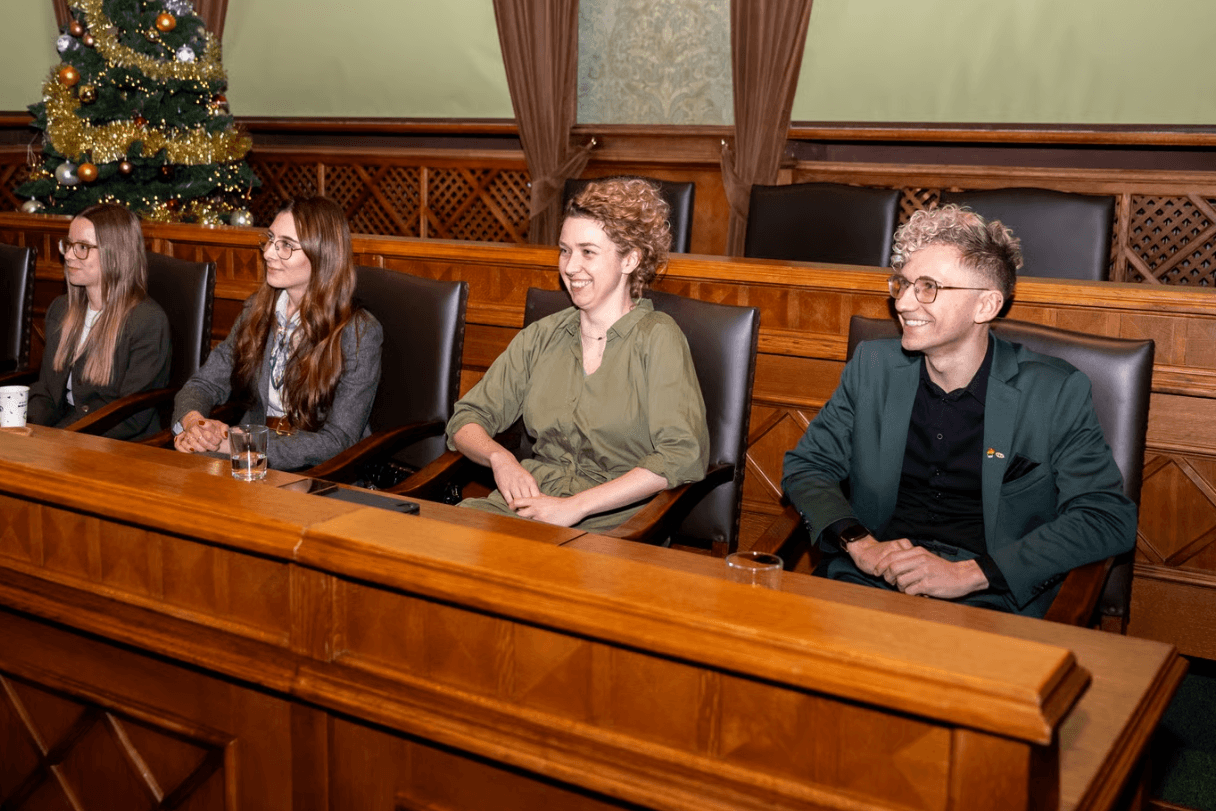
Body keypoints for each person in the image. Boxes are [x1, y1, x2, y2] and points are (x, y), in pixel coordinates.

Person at [781, 204, 1136, 617]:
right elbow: (807, 467)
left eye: (928, 287)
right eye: (903, 284)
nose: (903, 303)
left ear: (985, 306)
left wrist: (971, 574)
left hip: (991, 598)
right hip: (870, 582)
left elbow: (1106, 517)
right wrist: (860, 544)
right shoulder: (873, 367)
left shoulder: (1053, 391)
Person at [446, 177, 709, 530]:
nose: (570, 267)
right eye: (565, 250)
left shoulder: (658, 338)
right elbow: (466, 419)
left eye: (588, 252)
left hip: (615, 526)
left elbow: (681, 455)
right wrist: (500, 458)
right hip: (527, 508)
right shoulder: (541, 336)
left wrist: (576, 507)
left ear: (630, 259)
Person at [172, 196, 382, 470]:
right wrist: (195, 425)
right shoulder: (256, 311)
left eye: (286, 245)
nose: (269, 253)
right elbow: (203, 384)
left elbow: (337, 440)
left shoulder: (359, 332)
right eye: (270, 239)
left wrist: (241, 444)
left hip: (322, 473)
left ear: (322, 256)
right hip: (249, 462)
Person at [27, 203, 171, 439]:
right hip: (64, 436)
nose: (69, 255)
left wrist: (59, 438)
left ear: (115, 254)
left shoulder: (147, 321)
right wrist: (25, 428)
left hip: (117, 444)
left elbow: (131, 417)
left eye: (82, 247)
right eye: (69, 244)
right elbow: (47, 393)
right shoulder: (61, 310)